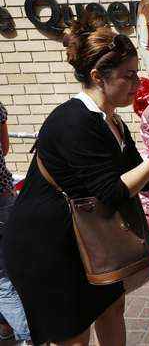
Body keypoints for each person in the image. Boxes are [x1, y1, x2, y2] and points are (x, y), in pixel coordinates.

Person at [2, 16, 149, 346]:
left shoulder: (113, 121)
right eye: (128, 75)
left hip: (88, 240)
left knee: (111, 307)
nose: (138, 82)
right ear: (98, 77)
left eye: (137, 73)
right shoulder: (73, 121)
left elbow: (143, 180)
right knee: (75, 337)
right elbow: (113, 192)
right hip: (48, 246)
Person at [0, 103, 31, 345]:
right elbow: (5, 147)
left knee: (2, 280)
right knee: (9, 267)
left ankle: (27, 336)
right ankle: (6, 327)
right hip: (4, 195)